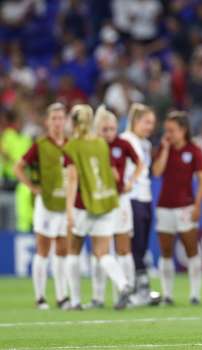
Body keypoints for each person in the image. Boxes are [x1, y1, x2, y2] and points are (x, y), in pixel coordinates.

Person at [63, 104, 131, 310]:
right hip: (106, 202)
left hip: (83, 205)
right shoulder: (101, 144)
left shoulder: (72, 146)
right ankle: (123, 284)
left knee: (73, 251)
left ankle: (75, 301)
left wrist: (68, 211)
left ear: (74, 122)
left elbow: (73, 180)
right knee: (102, 252)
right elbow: (112, 173)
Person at [14, 103, 70, 309]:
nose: (57, 122)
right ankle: (40, 297)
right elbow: (18, 167)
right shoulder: (40, 144)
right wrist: (32, 187)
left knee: (62, 250)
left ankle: (62, 296)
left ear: (65, 121)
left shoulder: (71, 145)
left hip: (64, 205)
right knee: (43, 250)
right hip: (45, 204)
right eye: (53, 118)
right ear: (47, 121)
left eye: (60, 118)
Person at [88, 106, 144, 308]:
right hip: (99, 202)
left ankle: (126, 293)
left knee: (123, 249)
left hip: (120, 201)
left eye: (112, 128)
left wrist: (131, 181)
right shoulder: (92, 146)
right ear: (97, 129)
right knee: (99, 251)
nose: (110, 133)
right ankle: (98, 297)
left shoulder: (123, 143)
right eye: (105, 129)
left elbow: (140, 163)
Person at [152, 111, 202, 306]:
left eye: (172, 130)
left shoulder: (194, 150)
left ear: (183, 130)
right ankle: (167, 295)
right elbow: (157, 172)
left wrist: (198, 205)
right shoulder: (163, 149)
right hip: (164, 206)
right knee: (165, 251)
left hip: (185, 206)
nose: (168, 134)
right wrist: (165, 149)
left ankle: (195, 294)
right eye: (166, 130)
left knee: (191, 249)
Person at [120, 103, 157, 303]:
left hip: (145, 196)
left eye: (152, 123)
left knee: (141, 246)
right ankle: (132, 290)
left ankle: (140, 290)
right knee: (134, 245)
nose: (150, 127)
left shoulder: (146, 144)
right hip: (131, 197)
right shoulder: (126, 140)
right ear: (135, 122)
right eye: (146, 122)